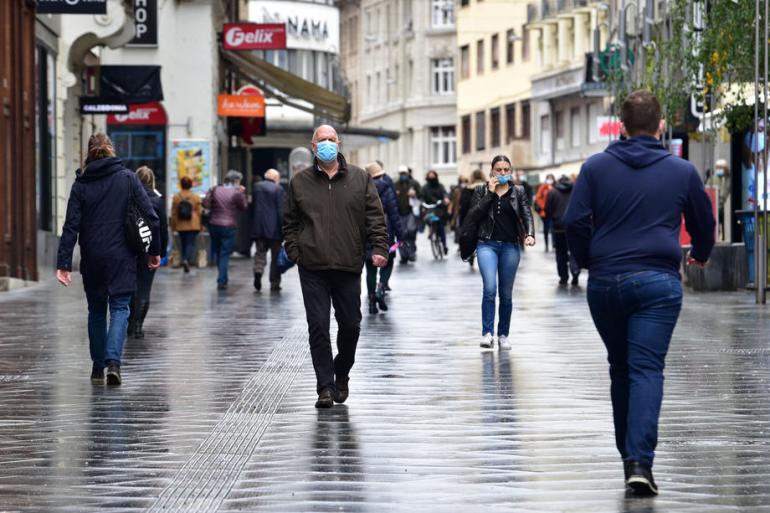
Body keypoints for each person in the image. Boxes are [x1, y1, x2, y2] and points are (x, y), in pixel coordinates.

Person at [563, 90, 715, 496]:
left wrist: (589, 261)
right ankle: (639, 462)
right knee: (646, 369)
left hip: (607, 283)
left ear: (622, 126)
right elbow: (704, 221)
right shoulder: (681, 171)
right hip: (656, 283)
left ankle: (627, 455)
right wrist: (700, 254)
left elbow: (574, 221)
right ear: (661, 126)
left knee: (620, 367)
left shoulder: (595, 168)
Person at [283, 124, 388, 409]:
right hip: (312, 266)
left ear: (338, 143)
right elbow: (290, 222)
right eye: (322, 140)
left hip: (347, 264)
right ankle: (325, 388)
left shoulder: (360, 178)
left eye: (332, 139)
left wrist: (379, 248)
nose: (327, 144)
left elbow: (375, 218)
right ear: (313, 146)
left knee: (351, 325)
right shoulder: (299, 182)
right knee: (317, 326)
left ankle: (342, 373)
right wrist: (296, 252)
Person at [56, 133, 160, 386]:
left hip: (92, 255)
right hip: (122, 255)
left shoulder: (81, 183)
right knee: (120, 307)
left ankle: (96, 367)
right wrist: (153, 250)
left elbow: (71, 226)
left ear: (89, 152)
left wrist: (64, 264)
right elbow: (151, 216)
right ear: (112, 150)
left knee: (96, 311)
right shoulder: (128, 179)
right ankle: (113, 363)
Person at [465, 155, 535, 350]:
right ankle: (487, 333)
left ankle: (503, 334)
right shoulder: (480, 190)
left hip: (510, 247)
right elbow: (473, 215)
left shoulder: (518, 191)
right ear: (492, 171)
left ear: (510, 171)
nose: (503, 173)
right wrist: (489, 192)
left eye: (506, 169)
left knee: (506, 294)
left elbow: (527, 214)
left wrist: (529, 234)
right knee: (489, 288)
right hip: (486, 245)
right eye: (499, 169)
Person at [127, 166, 168, 340]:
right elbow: (162, 228)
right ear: (152, 181)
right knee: (144, 289)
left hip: (128, 248)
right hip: (149, 250)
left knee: (129, 288)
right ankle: (137, 327)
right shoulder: (157, 201)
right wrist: (160, 251)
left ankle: (129, 323)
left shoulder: (128, 198)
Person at [364, 162, 404, 314]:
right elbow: (394, 214)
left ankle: (372, 300)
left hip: (367, 231)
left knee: (370, 268)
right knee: (388, 261)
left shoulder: (362, 189)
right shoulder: (387, 188)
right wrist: (401, 236)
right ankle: (381, 287)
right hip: (386, 230)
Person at [203, 170, 248, 290]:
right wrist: (241, 193)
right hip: (228, 226)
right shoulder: (236, 192)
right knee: (224, 254)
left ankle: (223, 277)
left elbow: (206, 203)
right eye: (239, 181)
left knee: (219, 252)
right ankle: (221, 280)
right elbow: (243, 206)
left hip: (214, 224)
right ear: (235, 181)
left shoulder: (215, 189)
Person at [251, 168, 285, 292]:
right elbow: (281, 211)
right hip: (274, 229)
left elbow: (253, 206)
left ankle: (258, 272)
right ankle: (274, 283)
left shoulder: (256, 187)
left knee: (260, 253)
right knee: (276, 257)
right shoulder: (278, 189)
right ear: (275, 178)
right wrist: (284, 228)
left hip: (259, 227)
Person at [545, 174, 579, 286]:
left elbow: (548, 210)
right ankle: (575, 271)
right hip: (574, 226)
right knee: (574, 250)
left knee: (560, 253)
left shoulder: (552, 192)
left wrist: (553, 219)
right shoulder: (576, 190)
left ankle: (563, 277)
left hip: (559, 227)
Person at [170, 176, 202, 273]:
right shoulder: (195, 196)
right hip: (193, 224)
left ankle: (184, 259)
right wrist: (201, 225)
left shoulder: (176, 197)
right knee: (190, 243)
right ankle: (186, 260)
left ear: (181, 185)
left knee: (183, 243)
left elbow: (173, 212)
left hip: (180, 224)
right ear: (191, 185)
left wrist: (173, 226)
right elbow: (200, 211)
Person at [394, 164, 421, 263]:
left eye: (404, 173)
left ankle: (412, 253)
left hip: (411, 212)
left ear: (407, 173)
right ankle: (403, 255)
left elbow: (421, 194)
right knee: (400, 234)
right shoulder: (395, 184)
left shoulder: (414, 183)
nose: (403, 175)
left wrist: (415, 194)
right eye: (401, 173)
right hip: (398, 212)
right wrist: (394, 194)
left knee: (411, 232)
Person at [421, 169, 450, 255]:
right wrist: (422, 203)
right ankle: (431, 231)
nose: (432, 179)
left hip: (439, 208)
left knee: (441, 226)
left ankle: (444, 245)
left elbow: (445, 194)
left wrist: (446, 198)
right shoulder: (425, 187)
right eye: (430, 177)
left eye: (433, 177)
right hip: (429, 208)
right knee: (427, 219)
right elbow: (421, 197)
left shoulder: (440, 186)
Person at [534, 174, 555, 251]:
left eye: (551, 178)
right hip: (545, 212)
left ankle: (553, 244)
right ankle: (546, 245)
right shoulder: (543, 187)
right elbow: (538, 197)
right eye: (548, 178)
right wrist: (543, 206)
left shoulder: (555, 187)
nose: (550, 180)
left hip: (553, 211)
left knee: (553, 228)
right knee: (546, 228)